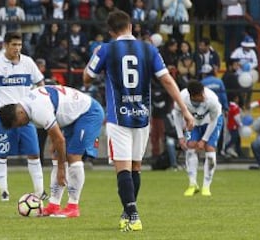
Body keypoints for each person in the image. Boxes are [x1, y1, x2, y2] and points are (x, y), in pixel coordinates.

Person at [83, 10, 194, 232]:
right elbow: (168, 81)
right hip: (143, 116)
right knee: (136, 167)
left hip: (118, 116)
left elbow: (87, 78)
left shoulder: (105, 49)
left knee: (122, 167)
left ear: (111, 31)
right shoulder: (149, 49)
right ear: (131, 26)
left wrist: (94, 57)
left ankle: (133, 214)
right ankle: (128, 212)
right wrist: (185, 110)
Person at [0, 85, 105, 217]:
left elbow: (60, 140)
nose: (22, 125)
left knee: (72, 156)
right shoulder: (26, 104)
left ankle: (73, 206)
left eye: (19, 124)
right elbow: (55, 118)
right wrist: (54, 143)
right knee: (56, 154)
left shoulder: (37, 109)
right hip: (72, 117)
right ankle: (53, 205)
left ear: (19, 113)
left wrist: (62, 169)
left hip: (88, 113)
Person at [0, 32, 45, 202]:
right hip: (3, 116)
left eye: (19, 45)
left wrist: (41, 104)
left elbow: (41, 84)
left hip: (26, 115)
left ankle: (40, 191)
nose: (17, 48)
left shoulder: (28, 62)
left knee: (34, 153)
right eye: (14, 45)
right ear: (5, 45)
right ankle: (4, 191)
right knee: (2, 153)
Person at [173, 80, 223, 197]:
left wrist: (204, 140)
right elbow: (176, 114)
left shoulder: (212, 100)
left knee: (209, 148)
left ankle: (206, 187)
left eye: (203, 93)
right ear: (192, 96)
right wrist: (180, 137)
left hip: (211, 122)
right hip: (194, 122)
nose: (203, 96)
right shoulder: (182, 98)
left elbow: (213, 120)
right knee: (190, 146)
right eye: (200, 95)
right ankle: (192, 184)